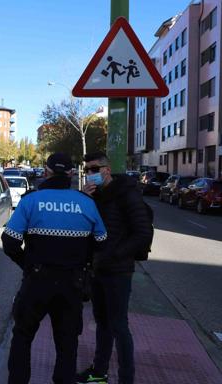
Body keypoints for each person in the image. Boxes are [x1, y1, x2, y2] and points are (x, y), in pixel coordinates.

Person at [2, 153, 107, 384]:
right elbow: (102, 242)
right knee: (67, 344)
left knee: (22, 337)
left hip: (37, 281)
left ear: (46, 172)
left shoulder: (31, 201)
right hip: (72, 284)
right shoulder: (86, 203)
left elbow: (9, 242)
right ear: (71, 174)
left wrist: (28, 265)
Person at [76, 152, 153, 384]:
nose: (89, 173)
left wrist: (114, 254)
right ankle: (99, 372)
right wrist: (84, 199)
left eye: (94, 169)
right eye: (86, 170)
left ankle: (126, 378)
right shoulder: (94, 196)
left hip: (118, 271)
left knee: (119, 326)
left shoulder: (127, 194)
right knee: (102, 323)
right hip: (97, 269)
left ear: (106, 170)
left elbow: (143, 233)